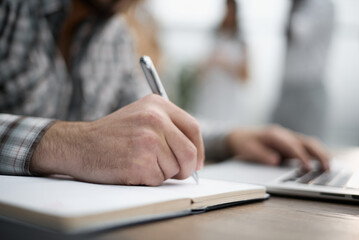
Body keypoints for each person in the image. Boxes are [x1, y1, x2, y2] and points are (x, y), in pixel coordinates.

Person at [0, 0, 329, 186]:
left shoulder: (115, 37)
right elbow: (87, 139)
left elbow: (152, 116)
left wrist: (233, 138)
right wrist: (75, 144)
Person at [272, 0, 334, 140]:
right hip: (288, 87)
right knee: (276, 143)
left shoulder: (320, 5)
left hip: (307, 89)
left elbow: (297, 31)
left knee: (308, 148)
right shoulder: (300, 6)